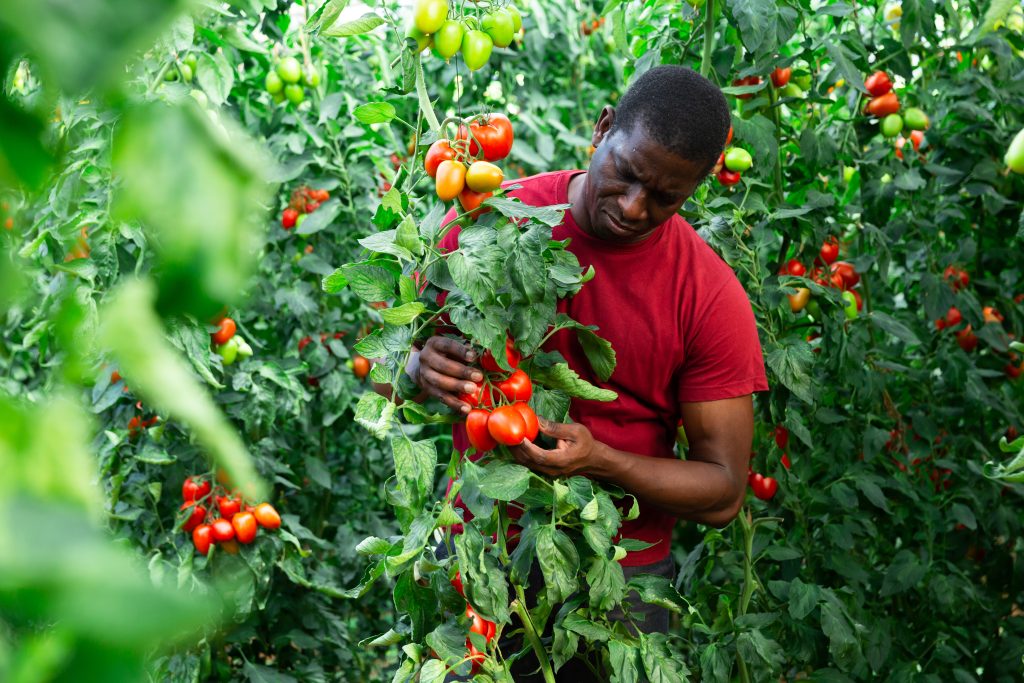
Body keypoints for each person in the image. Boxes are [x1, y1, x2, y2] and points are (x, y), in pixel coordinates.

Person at [408, 65, 768, 680]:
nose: (633, 206)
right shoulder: (487, 225)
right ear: (602, 129)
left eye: (665, 197)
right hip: (477, 546)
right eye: (626, 174)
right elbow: (390, 377)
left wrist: (602, 461)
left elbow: (724, 492)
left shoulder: (708, 295)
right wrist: (418, 366)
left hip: (615, 576)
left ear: (697, 189)